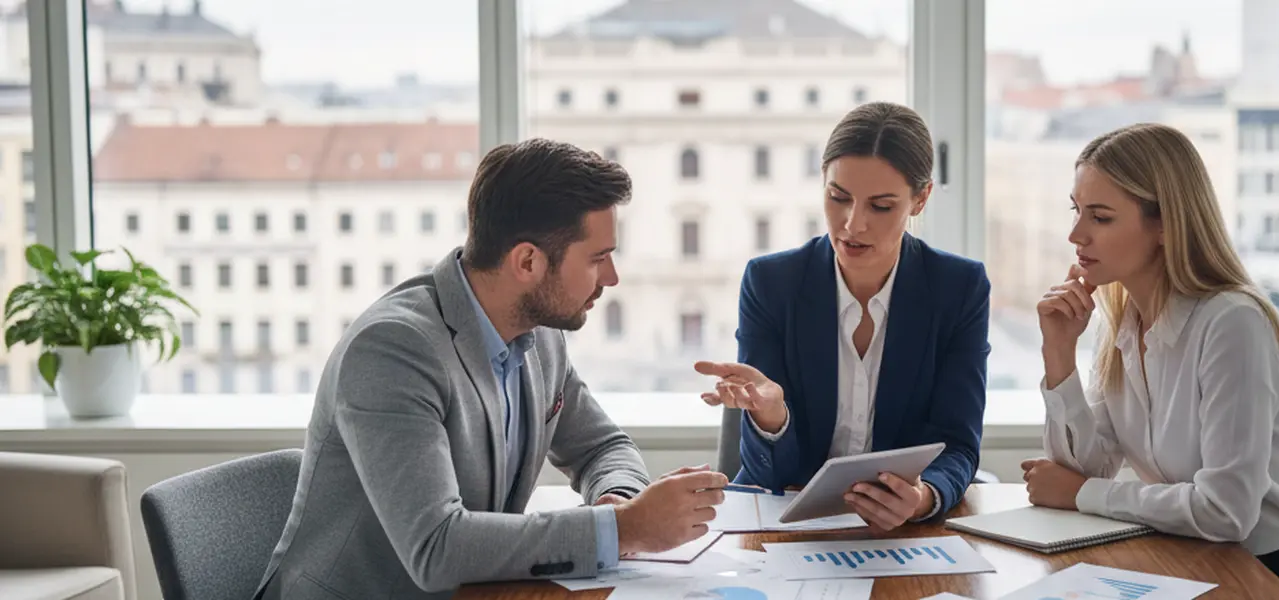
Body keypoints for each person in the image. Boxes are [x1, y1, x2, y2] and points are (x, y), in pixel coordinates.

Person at [255, 139, 727, 600]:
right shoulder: (393, 350)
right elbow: (437, 547)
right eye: (598, 259)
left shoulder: (541, 334)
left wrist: (619, 501)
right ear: (527, 261)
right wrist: (621, 530)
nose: (612, 278)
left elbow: (602, 447)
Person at [1022, 123, 1279, 599]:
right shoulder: (1125, 323)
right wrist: (1058, 356)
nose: (1076, 234)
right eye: (1077, 211)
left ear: (1164, 224)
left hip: (1278, 574)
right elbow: (1086, 470)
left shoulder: (1233, 323)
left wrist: (1079, 493)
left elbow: (1225, 511)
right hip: (1193, 558)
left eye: (1101, 217)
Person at [694, 101, 990, 531]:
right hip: (785, 525)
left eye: (881, 206)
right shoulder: (772, 283)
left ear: (921, 198)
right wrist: (772, 416)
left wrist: (922, 498)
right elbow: (767, 476)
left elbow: (958, 443)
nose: (853, 225)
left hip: (899, 532)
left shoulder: (958, 288)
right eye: (838, 198)